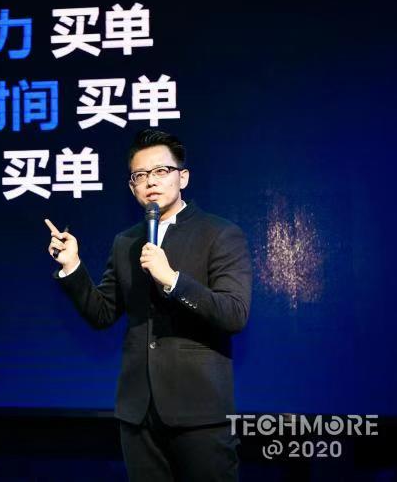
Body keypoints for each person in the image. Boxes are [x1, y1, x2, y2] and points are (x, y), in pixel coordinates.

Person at [45, 129, 252, 481]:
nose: (150, 182)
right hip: (138, 416)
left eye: (161, 171)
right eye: (140, 175)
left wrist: (172, 279)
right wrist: (73, 267)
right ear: (132, 187)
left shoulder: (219, 233)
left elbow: (234, 313)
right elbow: (102, 313)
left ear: (183, 177)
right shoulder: (125, 242)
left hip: (199, 414)